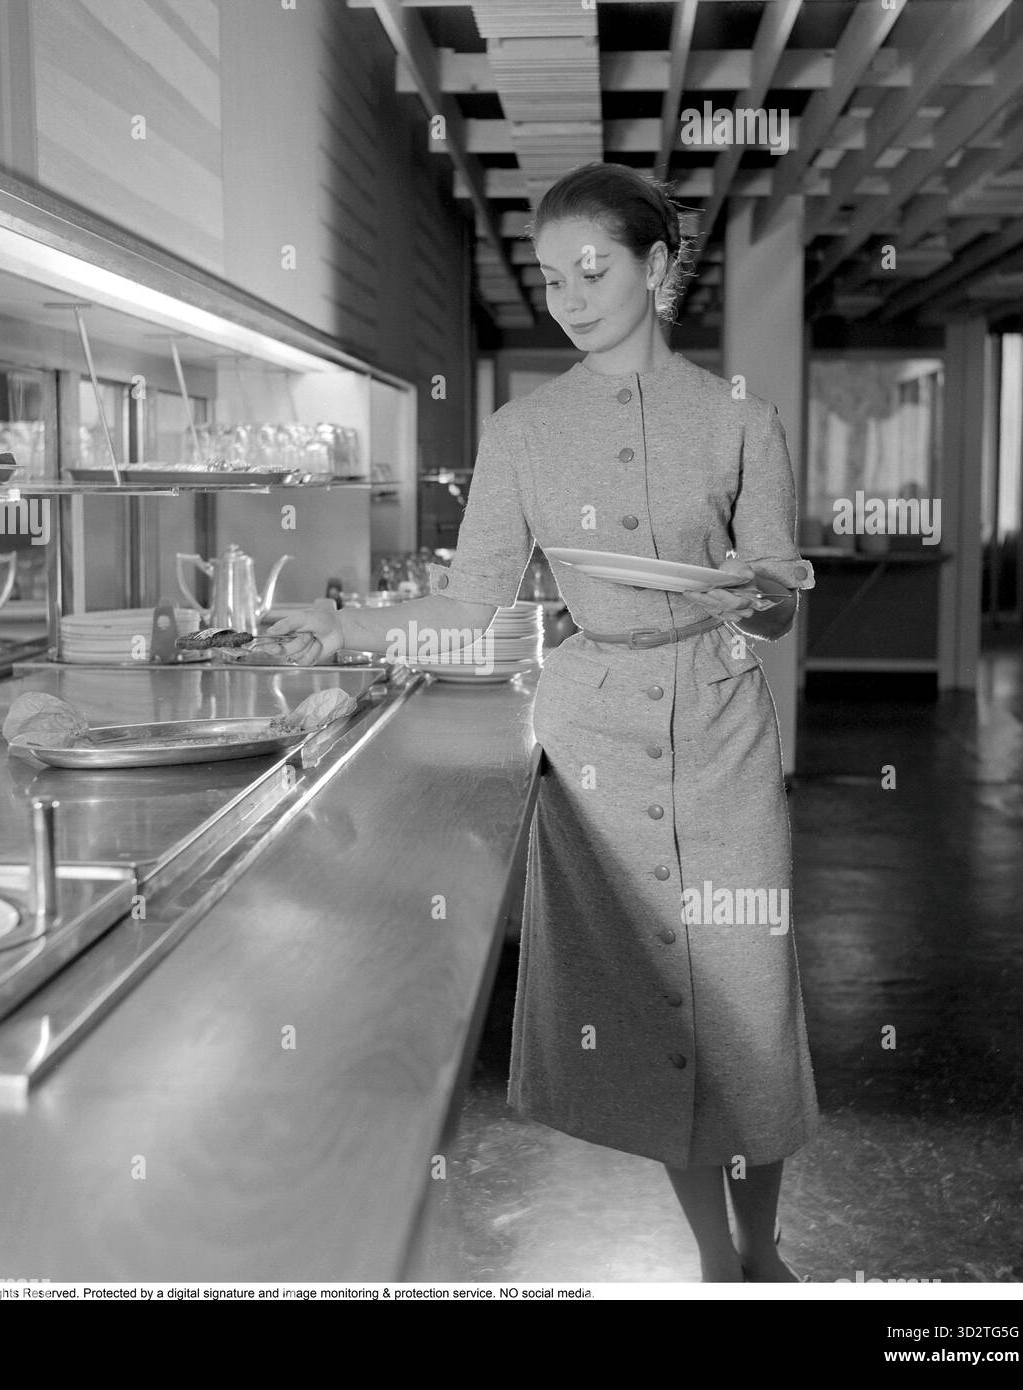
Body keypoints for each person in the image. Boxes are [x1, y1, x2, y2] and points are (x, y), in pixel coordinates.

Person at [268, 161, 819, 1284]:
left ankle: (762, 1249)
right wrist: (352, 627)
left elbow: (777, 593)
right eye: (549, 275)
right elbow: (474, 605)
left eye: (593, 267)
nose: (567, 294)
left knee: (750, 1009)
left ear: (657, 268)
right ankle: (716, 1257)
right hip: (593, 740)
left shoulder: (742, 423)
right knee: (654, 996)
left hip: (720, 726)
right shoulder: (522, 431)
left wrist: (757, 594)